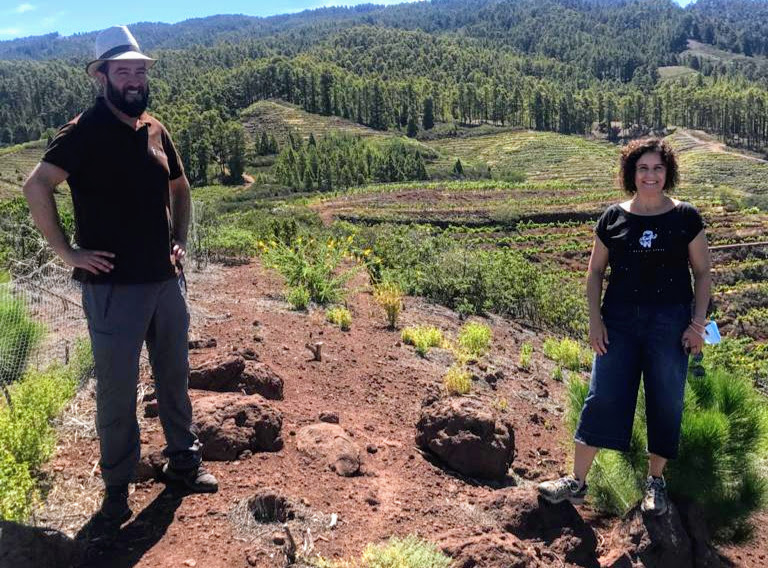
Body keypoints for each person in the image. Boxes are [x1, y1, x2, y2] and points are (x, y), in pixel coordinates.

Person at [22, 25, 218, 525]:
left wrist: (180, 239)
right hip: (113, 289)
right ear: (102, 77)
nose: (133, 78)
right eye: (123, 70)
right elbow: (36, 185)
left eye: (140, 70)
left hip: (164, 281)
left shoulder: (153, 128)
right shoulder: (82, 131)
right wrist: (68, 252)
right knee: (117, 386)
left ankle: (184, 463)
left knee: (174, 375)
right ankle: (116, 487)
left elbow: (181, 186)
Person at [538, 138, 711, 516]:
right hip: (619, 325)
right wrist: (595, 321)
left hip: (669, 324)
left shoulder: (686, 218)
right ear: (631, 173)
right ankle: (577, 481)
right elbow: (595, 272)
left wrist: (697, 325)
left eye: (658, 168)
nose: (651, 175)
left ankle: (655, 483)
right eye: (643, 168)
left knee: (665, 400)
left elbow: (702, 274)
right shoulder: (613, 218)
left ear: (668, 173)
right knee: (603, 397)